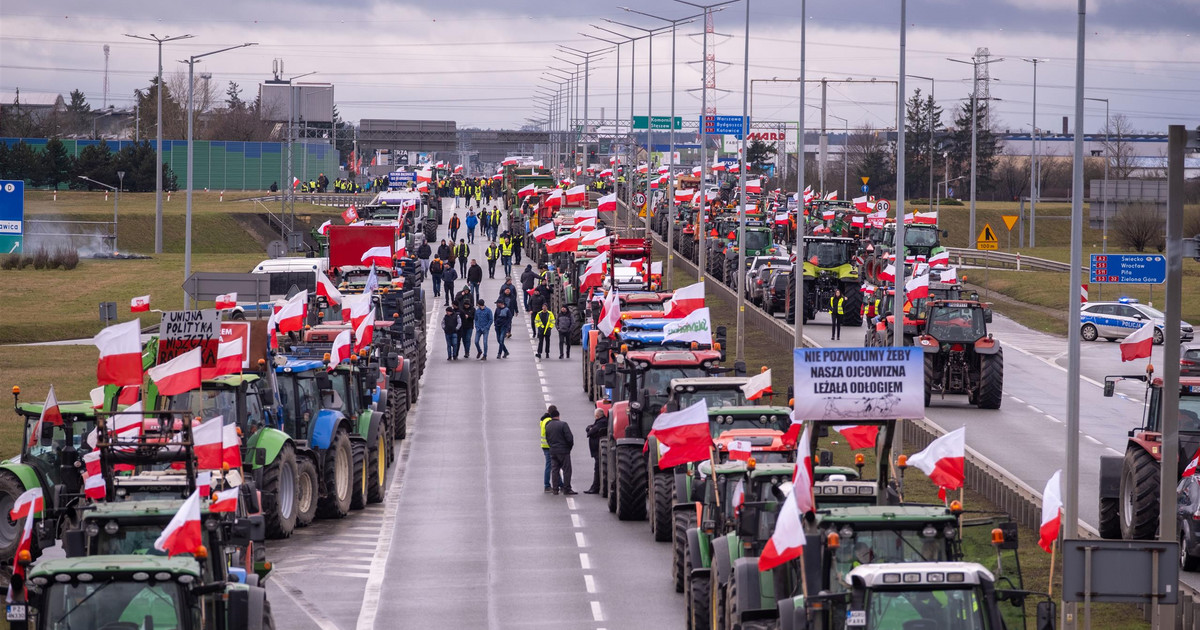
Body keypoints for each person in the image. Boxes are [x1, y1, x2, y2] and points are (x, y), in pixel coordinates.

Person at [544, 407, 576, 495]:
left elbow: (548, 438)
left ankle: (555, 489)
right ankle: (567, 488)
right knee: (566, 470)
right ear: (558, 416)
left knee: (554, 470)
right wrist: (568, 448)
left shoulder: (548, 425)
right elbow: (570, 438)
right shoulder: (563, 424)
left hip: (553, 451)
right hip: (563, 451)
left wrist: (552, 447)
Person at [584, 408, 607, 494]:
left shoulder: (602, 422)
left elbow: (590, 432)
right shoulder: (600, 421)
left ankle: (595, 487)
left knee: (597, 468)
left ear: (597, 416)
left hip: (598, 450)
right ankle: (595, 486)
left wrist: (590, 429)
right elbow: (590, 428)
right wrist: (590, 428)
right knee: (597, 468)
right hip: (597, 450)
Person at [539, 409, 554, 493]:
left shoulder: (543, 420)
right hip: (549, 446)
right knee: (551, 466)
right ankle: (547, 485)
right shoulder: (549, 421)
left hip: (545, 446)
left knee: (553, 465)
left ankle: (560, 483)